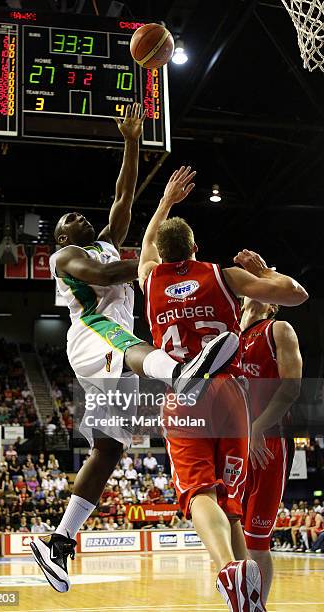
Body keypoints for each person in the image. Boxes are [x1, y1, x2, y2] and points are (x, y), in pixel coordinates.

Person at [30, 104, 226, 593]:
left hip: (104, 355)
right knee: (133, 342)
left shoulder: (107, 241)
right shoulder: (66, 256)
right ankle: (181, 373)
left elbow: (123, 193)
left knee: (110, 448)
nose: (76, 215)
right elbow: (98, 278)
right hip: (92, 336)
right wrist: (148, 267)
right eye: (67, 218)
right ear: (61, 238)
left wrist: (133, 140)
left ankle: (58, 543)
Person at [138, 166, 308, 612]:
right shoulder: (225, 276)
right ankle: (247, 596)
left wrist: (165, 201)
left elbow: (146, 249)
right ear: (196, 247)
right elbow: (297, 294)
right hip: (232, 395)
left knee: (199, 494)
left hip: (185, 397)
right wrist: (265, 271)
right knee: (231, 504)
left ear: (160, 250)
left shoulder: (151, 279)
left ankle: (227, 569)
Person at [239, 296, 302, 602]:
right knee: (231, 539)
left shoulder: (278, 329)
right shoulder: (225, 335)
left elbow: (291, 387)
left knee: (257, 543)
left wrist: (258, 426)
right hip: (230, 446)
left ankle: (257, 606)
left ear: (272, 304)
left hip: (267, 444)